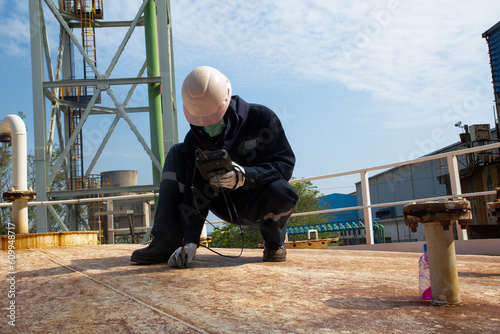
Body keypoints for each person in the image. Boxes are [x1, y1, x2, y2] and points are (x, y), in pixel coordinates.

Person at [131, 66, 298, 268]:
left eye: (213, 119)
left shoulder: (261, 119)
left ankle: (274, 243)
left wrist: (246, 175)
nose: (208, 129)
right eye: (200, 123)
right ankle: (167, 239)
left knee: (282, 192)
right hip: (219, 201)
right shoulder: (195, 139)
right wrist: (191, 241)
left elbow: (285, 163)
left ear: (226, 104)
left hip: (256, 201)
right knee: (177, 151)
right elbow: (194, 191)